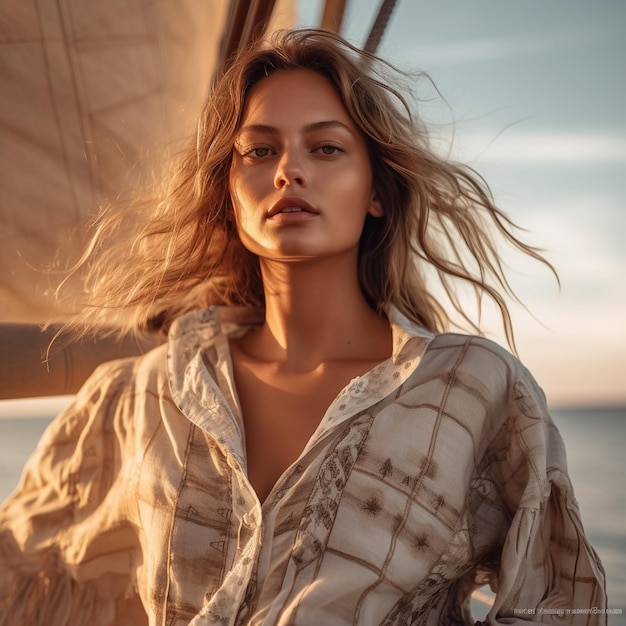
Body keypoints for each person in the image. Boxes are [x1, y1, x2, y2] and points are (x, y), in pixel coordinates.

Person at [0, 28, 606, 626]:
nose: (289, 170)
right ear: (230, 195)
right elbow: (27, 572)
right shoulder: (141, 396)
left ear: (375, 191)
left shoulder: (470, 389)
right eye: (260, 151)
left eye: (326, 148)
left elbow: (559, 601)